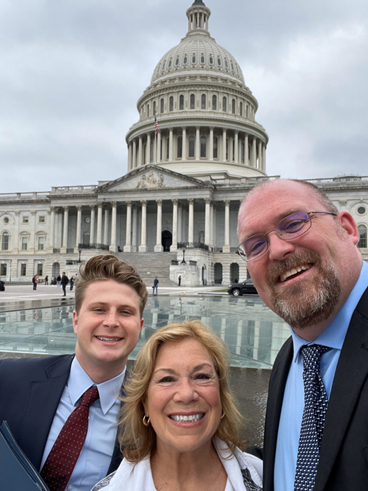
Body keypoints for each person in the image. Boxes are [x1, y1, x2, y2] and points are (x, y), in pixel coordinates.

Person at [237, 179, 368, 491]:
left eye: (294, 224)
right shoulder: (291, 358)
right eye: (256, 245)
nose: (279, 249)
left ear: (348, 228)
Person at [0, 254, 148, 491]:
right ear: (76, 321)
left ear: (139, 327)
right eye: (99, 309)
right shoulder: (8, 380)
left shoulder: (152, 411)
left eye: (125, 312)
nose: (111, 322)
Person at [92, 320, 263, 491]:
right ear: (144, 404)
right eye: (167, 379)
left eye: (201, 376)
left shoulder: (270, 478)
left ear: (220, 395)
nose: (186, 394)